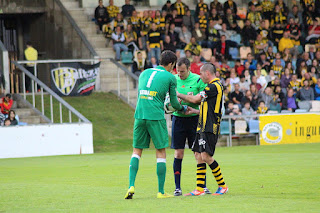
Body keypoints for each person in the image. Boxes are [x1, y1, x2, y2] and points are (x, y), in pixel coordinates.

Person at [124, 50, 187, 199]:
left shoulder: (144, 73)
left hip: (139, 115)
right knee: (160, 151)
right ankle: (161, 191)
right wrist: (182, 108)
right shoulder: (171, 77)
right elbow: (173, 103)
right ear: (171, 64)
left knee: (136, 151)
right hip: (155, 116)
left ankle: (131, 185)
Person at [178, 63, 229, 196]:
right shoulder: (211, 88)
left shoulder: (213, 86)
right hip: (202, 125)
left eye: (201, 74)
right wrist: (194, 111)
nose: (200, 77)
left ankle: (222, 185)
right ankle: (200, 189)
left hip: (209, 126)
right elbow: (207, 108)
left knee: (206, 156)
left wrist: (177, 94)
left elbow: (195, 99)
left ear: (207, 73)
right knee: (198, 155)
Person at [171, 58, 208, 196]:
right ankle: (177, 187)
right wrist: (174, 102)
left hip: (194, 120)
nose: (179, 74)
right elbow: (169, 99)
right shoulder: (173, 79)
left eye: (182, 71)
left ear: (189, 69)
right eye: (178, 71)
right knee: (178, 153)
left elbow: (202, 100)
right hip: (178, 119)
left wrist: (183, 98)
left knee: (199, 154)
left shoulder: (198, 80)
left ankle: (202, 186)